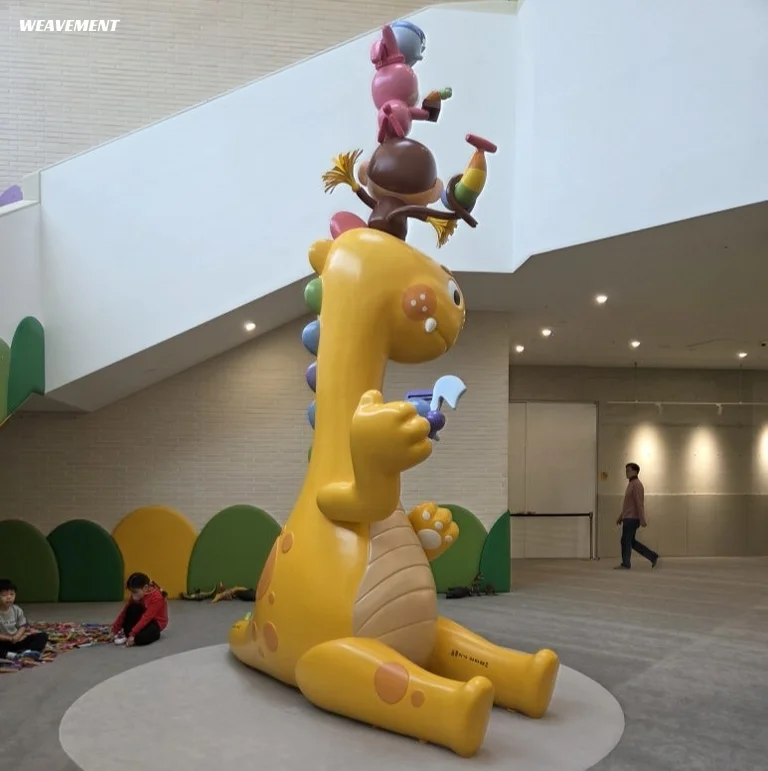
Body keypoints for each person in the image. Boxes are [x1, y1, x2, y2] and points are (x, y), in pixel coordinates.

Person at [615, 462, 659, 569]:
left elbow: (639, 503)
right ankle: (652, 556)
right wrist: (621, 517)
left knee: (625, 541)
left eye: (628, 470)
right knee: (631, 542)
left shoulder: (637, 485)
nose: (626, 472)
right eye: (626, 470)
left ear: (635, 471)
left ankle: (626, 564)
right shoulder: (631, 484)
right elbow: (628, 505)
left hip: (632, 519)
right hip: (628, 517)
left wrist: (642, 519)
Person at [112, 572, 168, 647]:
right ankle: (130, 636)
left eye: (135, 592)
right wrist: (114, 630)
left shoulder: (157, 598)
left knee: (142, 637)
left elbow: (147, 617)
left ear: (145, 588)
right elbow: (125, 612)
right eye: (131, 592)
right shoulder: (138, 594)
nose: (132, 595)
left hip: (155, 622)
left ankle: (139, 637)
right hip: (142, 618)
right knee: (132, 608)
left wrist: (133, 634)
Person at [0, 578, 49, 661]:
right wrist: (9, 638)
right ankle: (11, 655)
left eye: (12, 594)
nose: (9, 597)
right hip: (2, 642)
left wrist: (17, 636)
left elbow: (22, 626)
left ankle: (28, 652)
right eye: (4, 595)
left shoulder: (16, 609)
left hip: (16, 641)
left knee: (42, 636)